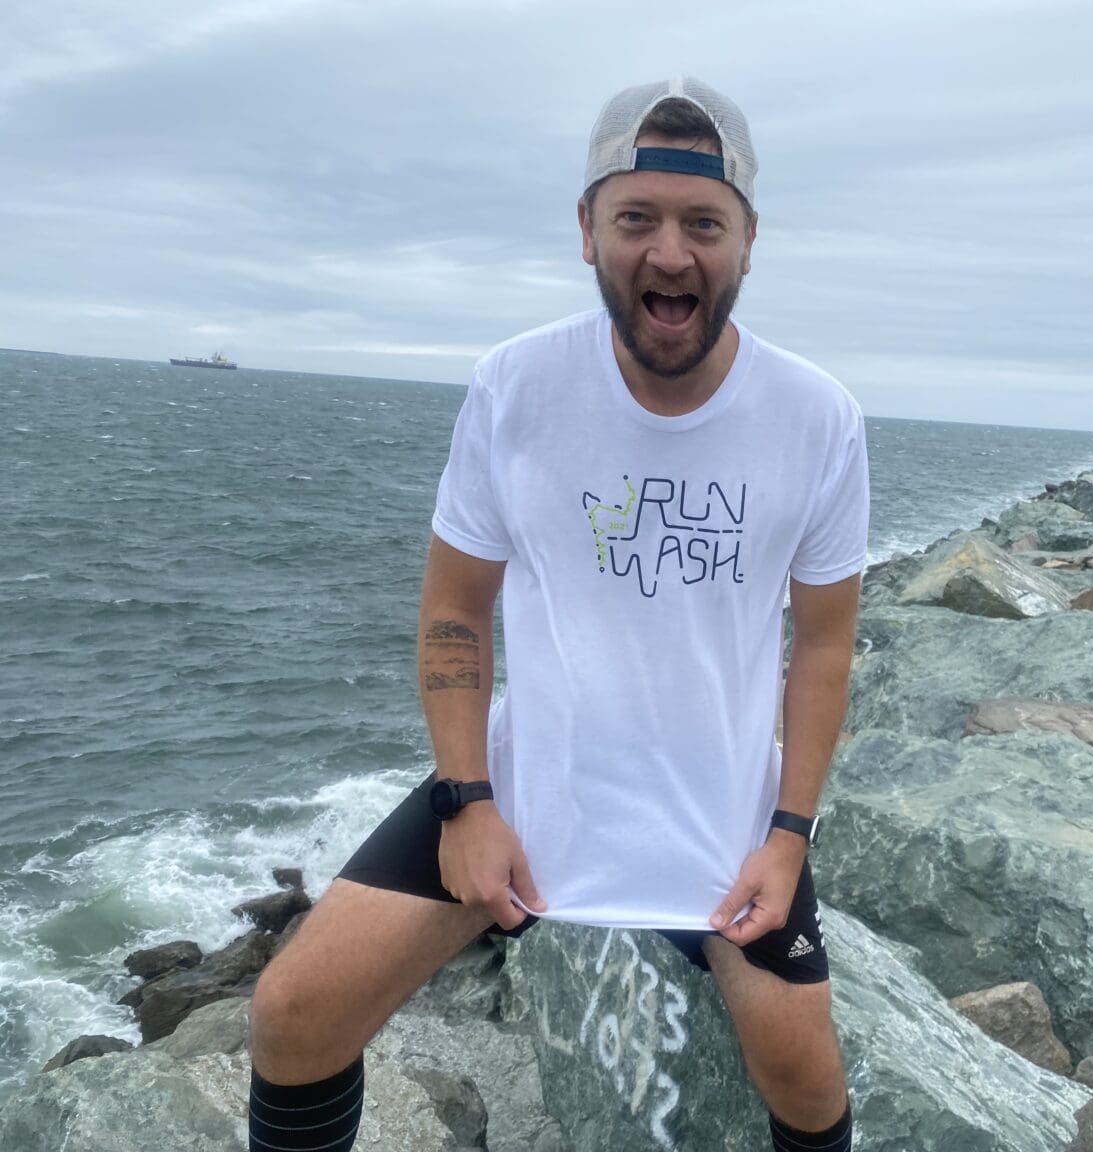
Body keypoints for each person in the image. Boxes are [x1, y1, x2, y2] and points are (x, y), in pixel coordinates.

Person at [246, 76, 869, 1152]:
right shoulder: (515, 388)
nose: (670, 254)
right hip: (528, 796)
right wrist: (467, 802)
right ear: (588, 230)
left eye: (703, 225)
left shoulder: (817, 418)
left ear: (748, 243)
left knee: (805, 1081)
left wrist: (788, 836)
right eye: (637, 219)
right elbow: (454, 612)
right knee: (294, 1016)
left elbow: (821, 643)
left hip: (723, 824)